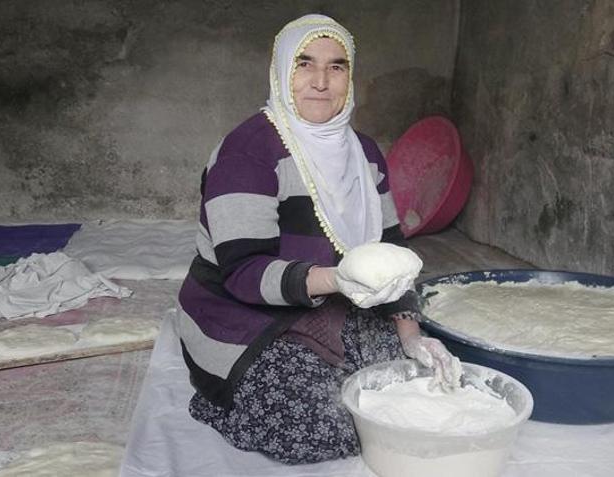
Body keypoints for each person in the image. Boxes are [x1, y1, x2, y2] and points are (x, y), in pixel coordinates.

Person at [176, 13, 459, 465]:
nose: (321, 82)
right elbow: (242, 272)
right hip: (243, 316)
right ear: (281, 71)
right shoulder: (248, 151)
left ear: (351, 76)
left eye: (337, 66)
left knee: (412, 385)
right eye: (304, 64)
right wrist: (340, 280)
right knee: (331, 424)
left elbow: (390, 250)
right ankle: (219, 399)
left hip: (331, 302)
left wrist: (410, 333)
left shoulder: (364, 153)